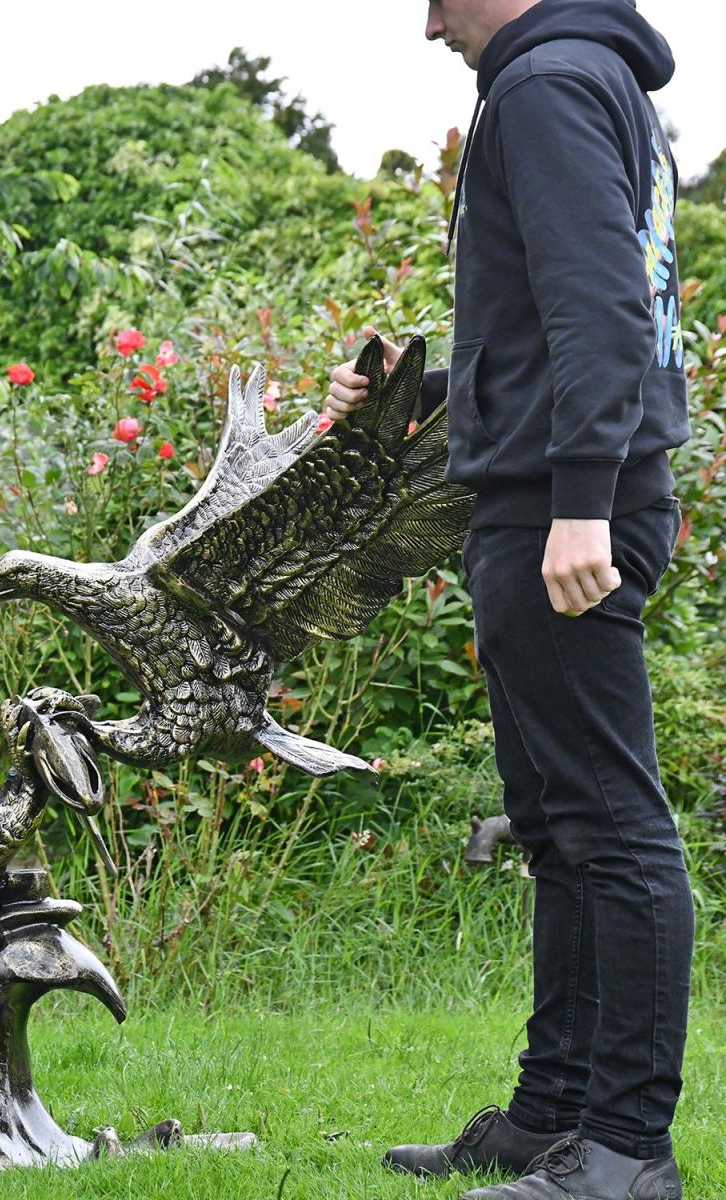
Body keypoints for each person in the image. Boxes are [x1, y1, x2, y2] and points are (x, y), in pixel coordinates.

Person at [327, 2, 693, 1198]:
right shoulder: (589, 79)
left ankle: (627, 1151)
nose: (427, 22)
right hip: (553, 495)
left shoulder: (543, 84)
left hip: (561, 514)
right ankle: (554, 1121)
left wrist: (581, 496)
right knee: (558, 826)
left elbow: (602, 306)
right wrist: (424, 391)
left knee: (611, 826)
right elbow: (556, 309)